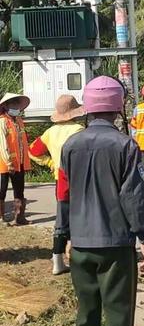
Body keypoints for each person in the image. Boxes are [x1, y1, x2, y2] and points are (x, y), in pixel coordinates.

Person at [57, 75, 144, 326]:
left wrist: (64, 236)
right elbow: (133, 197)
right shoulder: (126, 146)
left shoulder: (70, 146)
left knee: (86, 313)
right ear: (118, 108)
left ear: (87, 107)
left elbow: (65, 195)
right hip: (115, 247)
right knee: (118, 316)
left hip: (81, 245)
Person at [29, 95, 84, 275]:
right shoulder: (79, 129)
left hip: (59, 179)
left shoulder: (50, 132)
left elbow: (32, 151)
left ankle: (57, 261)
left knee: (61, 220)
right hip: (79, 178)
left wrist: (50, 162)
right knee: (81, 218)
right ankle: (78, 255)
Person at [0, 93, 31, 225]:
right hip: (4, 164)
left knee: (19, 191)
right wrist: (8, 162)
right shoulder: (2, 121)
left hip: (19, 163)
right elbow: (2, 144)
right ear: (6, 106)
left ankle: (20, 218)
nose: (16, 107)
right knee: (2, 191)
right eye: (13, 104)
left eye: (17, 104)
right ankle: (2, 219)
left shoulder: (19, 121)